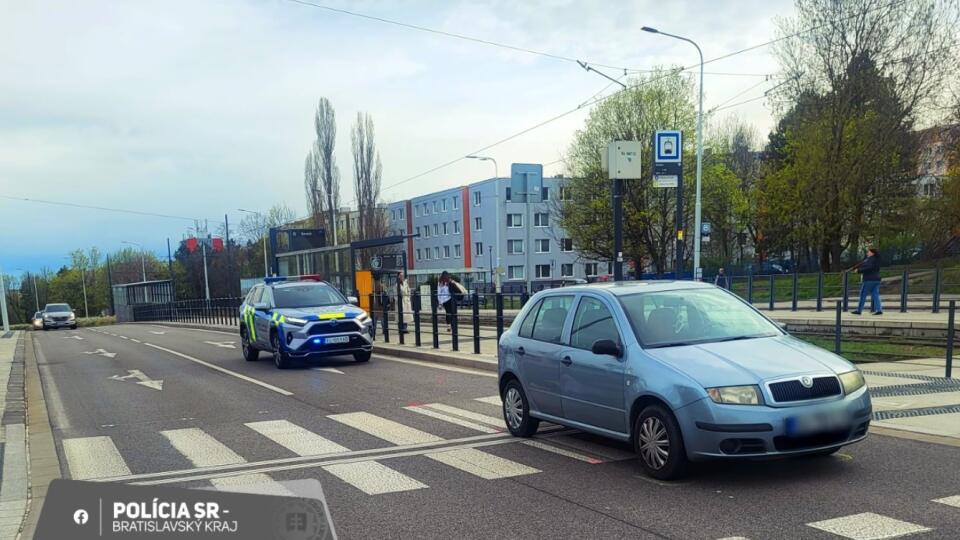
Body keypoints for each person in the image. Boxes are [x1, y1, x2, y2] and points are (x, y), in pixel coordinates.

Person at [851, 248, 883, 315]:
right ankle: (879, 309)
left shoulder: (870, 259)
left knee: (863, 294)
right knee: (875, 294)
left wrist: (859, 270)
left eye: (868, 252)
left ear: (872, 253)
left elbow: (869, 267)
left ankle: (859, 310)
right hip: (877, 279)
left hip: (869, 279)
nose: (867, 253)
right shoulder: (877, 259)